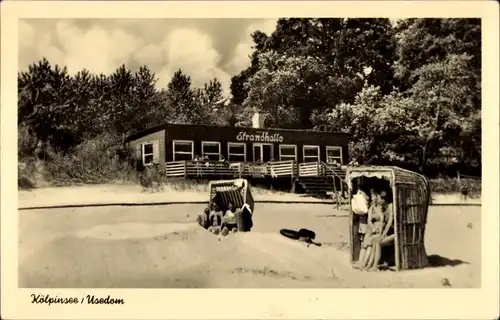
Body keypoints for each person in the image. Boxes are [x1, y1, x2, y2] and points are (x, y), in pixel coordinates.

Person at [365, 190, 394, 271]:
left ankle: (374, 266)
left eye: (381, 198)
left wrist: (383, 235)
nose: (380, 200)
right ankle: (370, 264)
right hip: (388, 233)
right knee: (374, 240)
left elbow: (389, 223)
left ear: (384, 199)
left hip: (395, 234)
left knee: (377, 242)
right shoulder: (384, 208)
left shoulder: (391, 207)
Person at [354, 190, 380, 269]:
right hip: (370, 228)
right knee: (366, 245)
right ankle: (363, 263)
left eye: (372, 196)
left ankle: (363, 263)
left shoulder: (373, 207)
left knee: (367, 245)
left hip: (370, 228)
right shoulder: (372, 206)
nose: (371, 197)